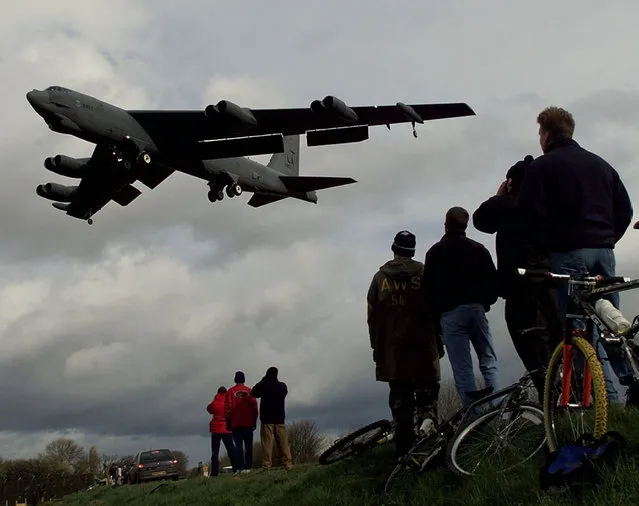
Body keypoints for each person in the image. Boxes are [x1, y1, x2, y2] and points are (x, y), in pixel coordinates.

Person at [516, 106, 634, 404]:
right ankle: (629, 383)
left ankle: (592, 399)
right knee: (611, 322)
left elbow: (529, 217)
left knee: (577, 329)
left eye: (540, 132)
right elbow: (625, 209)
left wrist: (542, 251)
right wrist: (607, 238)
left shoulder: (541, 168)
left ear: (546, 134)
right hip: (603, 252)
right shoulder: (601, 165)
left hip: (567, 254)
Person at [472, 156, 563, 401]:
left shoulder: (510, 206)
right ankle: (568, 399)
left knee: (533, 350)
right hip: (552, 284)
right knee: (558, 345)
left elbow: (480, 220)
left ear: (512, 182)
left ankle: (551, 405)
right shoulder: (548, 205)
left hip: (521, 288)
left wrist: (500, 196)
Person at [366, 230, 441, 457]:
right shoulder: (425, 274)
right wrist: (440, 341)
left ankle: (403, 454)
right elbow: (436, 309)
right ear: (413, 250)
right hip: (423, 347)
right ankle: (430, 449)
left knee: (401, 403)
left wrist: (376, 348)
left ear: (394, 249)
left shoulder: (380, 279)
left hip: (393, 351)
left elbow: (373, 317)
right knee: (427, 401)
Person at [422, 207, 500, 408]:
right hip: (476, 309)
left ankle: (475, 419)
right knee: (488, 361)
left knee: (462, 368)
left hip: (450, 314)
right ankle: (499, 411)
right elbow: (493, 282)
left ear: (446, 224)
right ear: (466, 225)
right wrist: (485, 303)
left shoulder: (435, 252)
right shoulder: (478, 249)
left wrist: (435, 316)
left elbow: (427, 289)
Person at [251, 367, 293, 470]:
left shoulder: (264, 385)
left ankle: (267, 464)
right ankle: (287, 462)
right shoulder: (282, 386)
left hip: (266, 418)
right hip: (279, 418)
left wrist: (263, 380)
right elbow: (285, 393)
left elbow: (254, 392)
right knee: (283, 441)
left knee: (267, 443)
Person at [225, 371, 259, 473]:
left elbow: (227, 409)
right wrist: (254, 420)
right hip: (248, 422)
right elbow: (254, 407)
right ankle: (248, 467)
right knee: (249, 446)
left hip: (235, 423)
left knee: (238, 446)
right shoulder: (249, 391)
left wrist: (228, 422)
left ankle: (240, 467)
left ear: (235, 379)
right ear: (244, 379)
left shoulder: (230, 392)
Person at [206, 386, 239, 477]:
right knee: (231, 450)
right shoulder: (229, 402)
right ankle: (236, 468)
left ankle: (214, 472)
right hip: (227, 429)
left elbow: (209, 409)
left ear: (218, 392)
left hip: (216, 429)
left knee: (215, 451)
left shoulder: (215, 402)